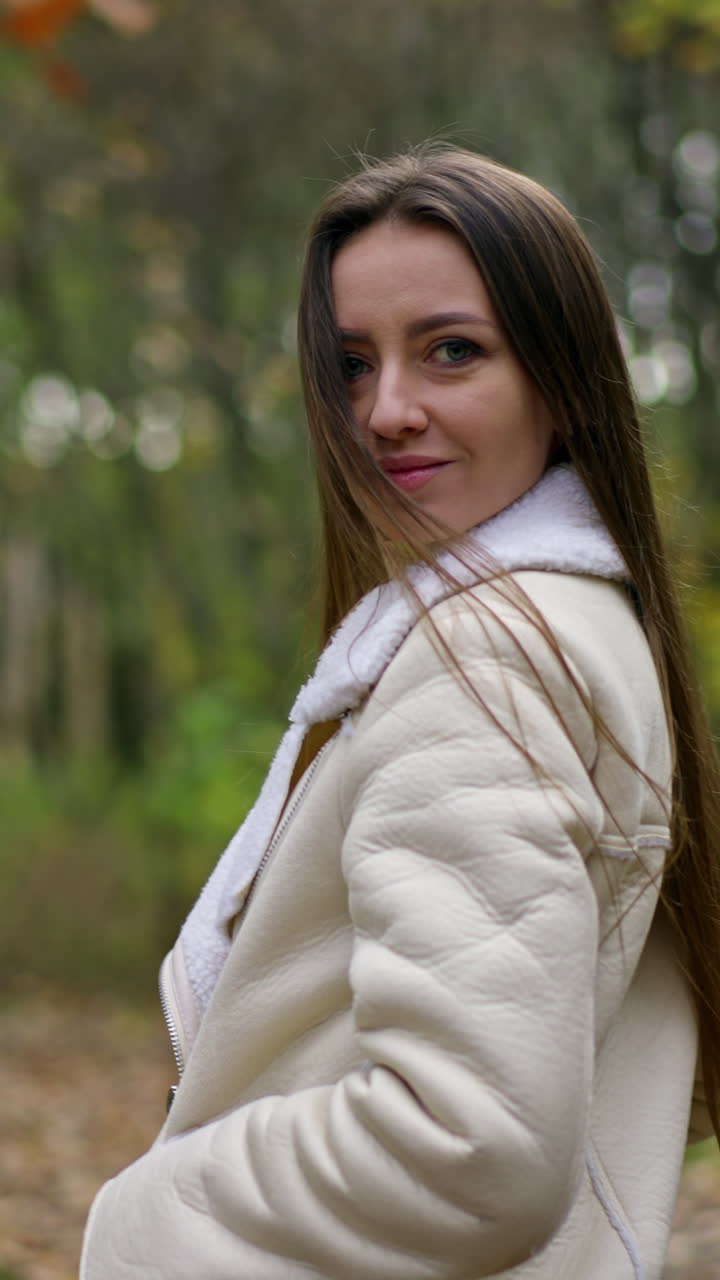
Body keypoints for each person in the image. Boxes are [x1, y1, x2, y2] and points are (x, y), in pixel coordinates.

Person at [80, 144, 720, 1280]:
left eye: (452, 351)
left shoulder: (492, 654)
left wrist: (152, 1220)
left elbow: (473, 1146)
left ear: (564, 380)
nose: (384, 411)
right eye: (351, 363)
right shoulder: (585, 627)